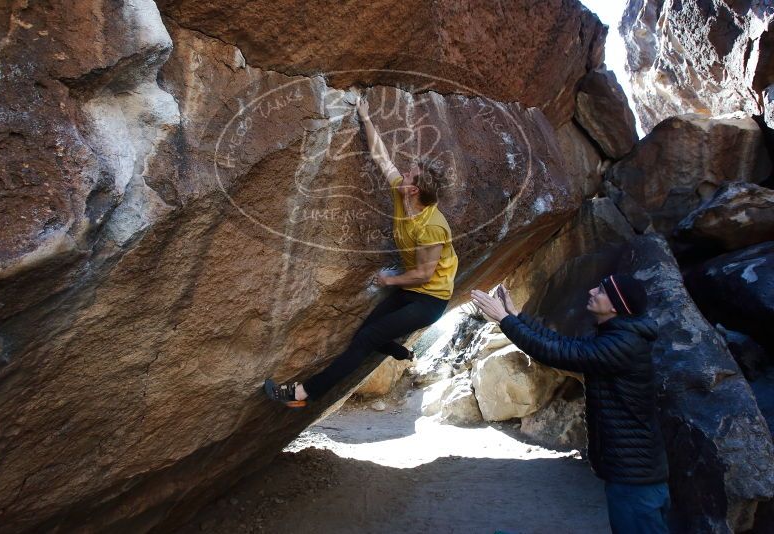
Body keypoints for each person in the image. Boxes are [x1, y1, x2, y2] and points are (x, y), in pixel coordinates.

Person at [264, 96, 458, 408]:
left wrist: (388, 281)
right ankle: (401, 352)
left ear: (415, 190)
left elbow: (424, 273)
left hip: (429, 298)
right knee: (367, 331)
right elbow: (382, 158)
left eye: (410, 175)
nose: (404, 173)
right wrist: (366, 118)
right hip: (412, 288)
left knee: (366, 340)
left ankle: (301, 394)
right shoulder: (402, 193)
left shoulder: (432, 226)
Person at [471, 275, 670, 534]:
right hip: (635, 471)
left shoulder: (623, 345)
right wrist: (517, 315)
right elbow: (565, 343)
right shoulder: (619, 335)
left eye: (601, 290)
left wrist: (504, 320)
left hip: (636, 477)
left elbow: (558, 353)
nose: (591, 290)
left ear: (614, 306)